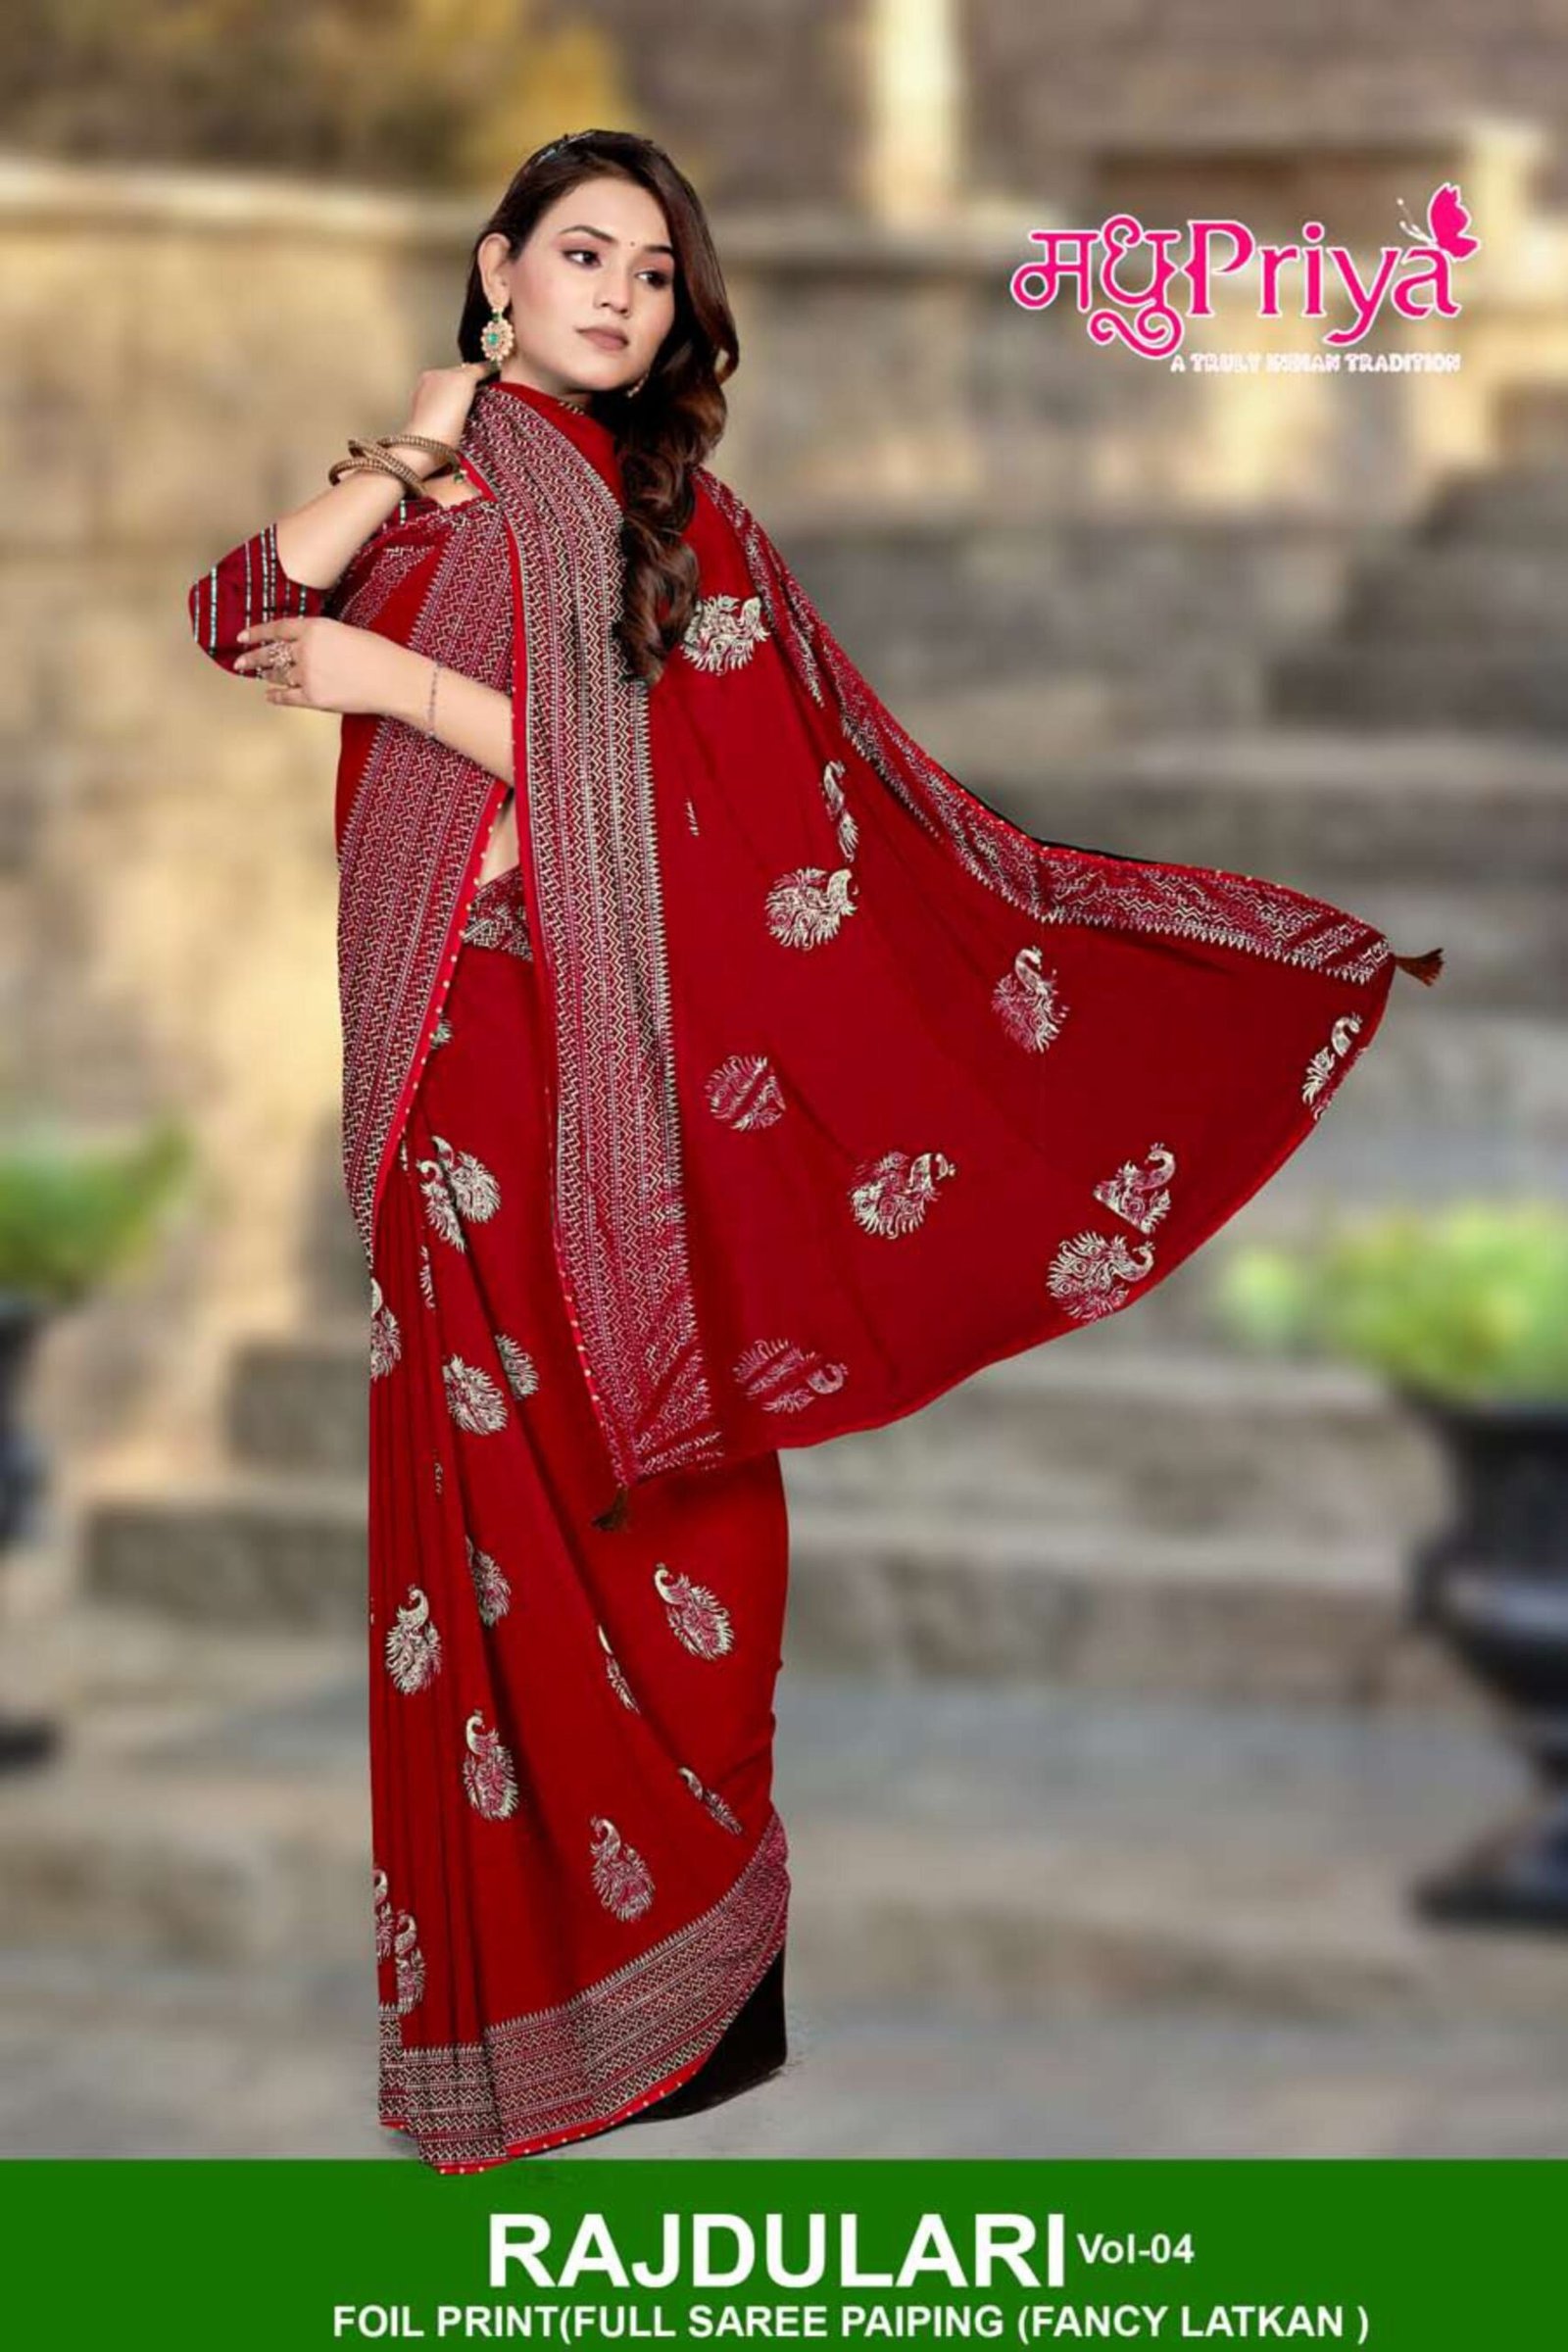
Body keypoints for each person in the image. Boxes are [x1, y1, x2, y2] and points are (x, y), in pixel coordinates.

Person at [187, 128, 1443, 2176]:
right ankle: (537, 2019)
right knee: (485, 1520)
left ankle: (701, 1969)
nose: (619, 296)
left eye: (653, 274)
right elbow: (237, 609)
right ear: (496, 269)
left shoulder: (677, 520)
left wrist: (390, 680)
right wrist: (413, 449)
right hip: (445, 1085)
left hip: (600, 1076)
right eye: (582, 255)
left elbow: (690, 784)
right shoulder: (436, 482)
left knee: (658, 1480)